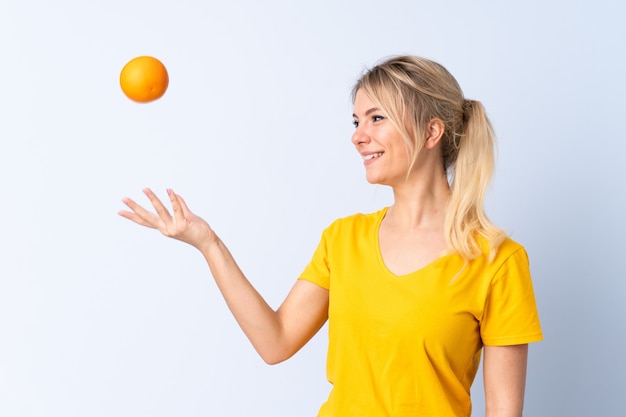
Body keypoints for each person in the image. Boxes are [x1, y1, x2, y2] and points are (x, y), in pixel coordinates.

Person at [119, 55, 543, 417]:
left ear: (432, 132)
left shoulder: (497, 260)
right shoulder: (344, 240)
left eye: (377, 118)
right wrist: (207, 242)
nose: (359, 135)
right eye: (357, 120)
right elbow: (276, 342)